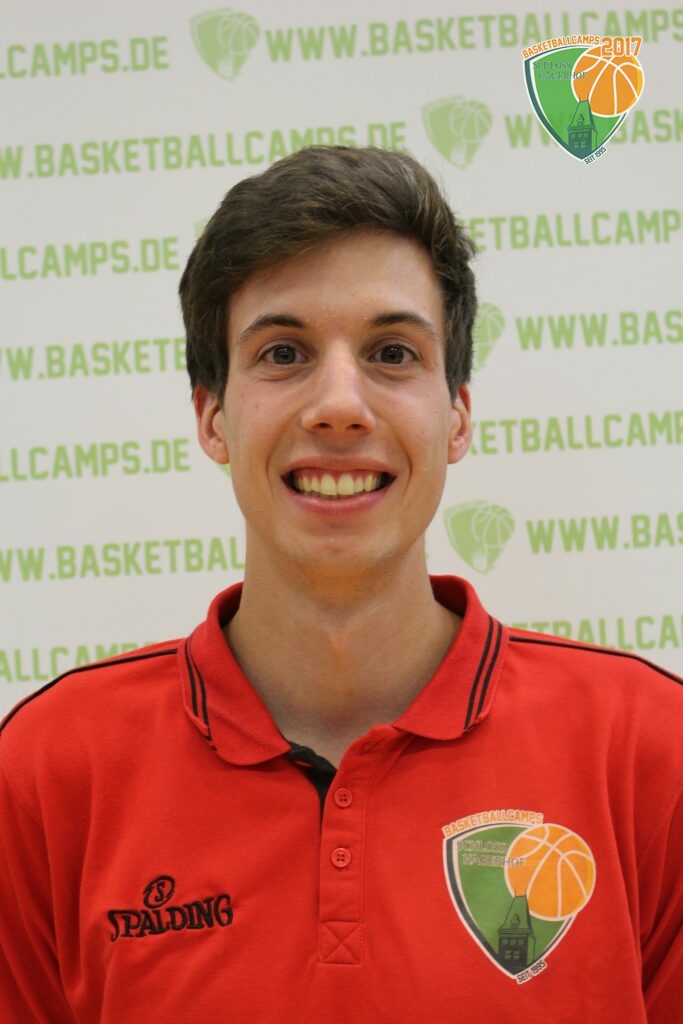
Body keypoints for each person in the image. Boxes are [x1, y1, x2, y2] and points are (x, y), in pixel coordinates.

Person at [0, 146, 680, 1023]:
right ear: (211, 415)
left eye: (392, 353)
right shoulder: (50, 771)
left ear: (456, 415)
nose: (339, 405)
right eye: (283, 352)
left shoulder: (647, 752)